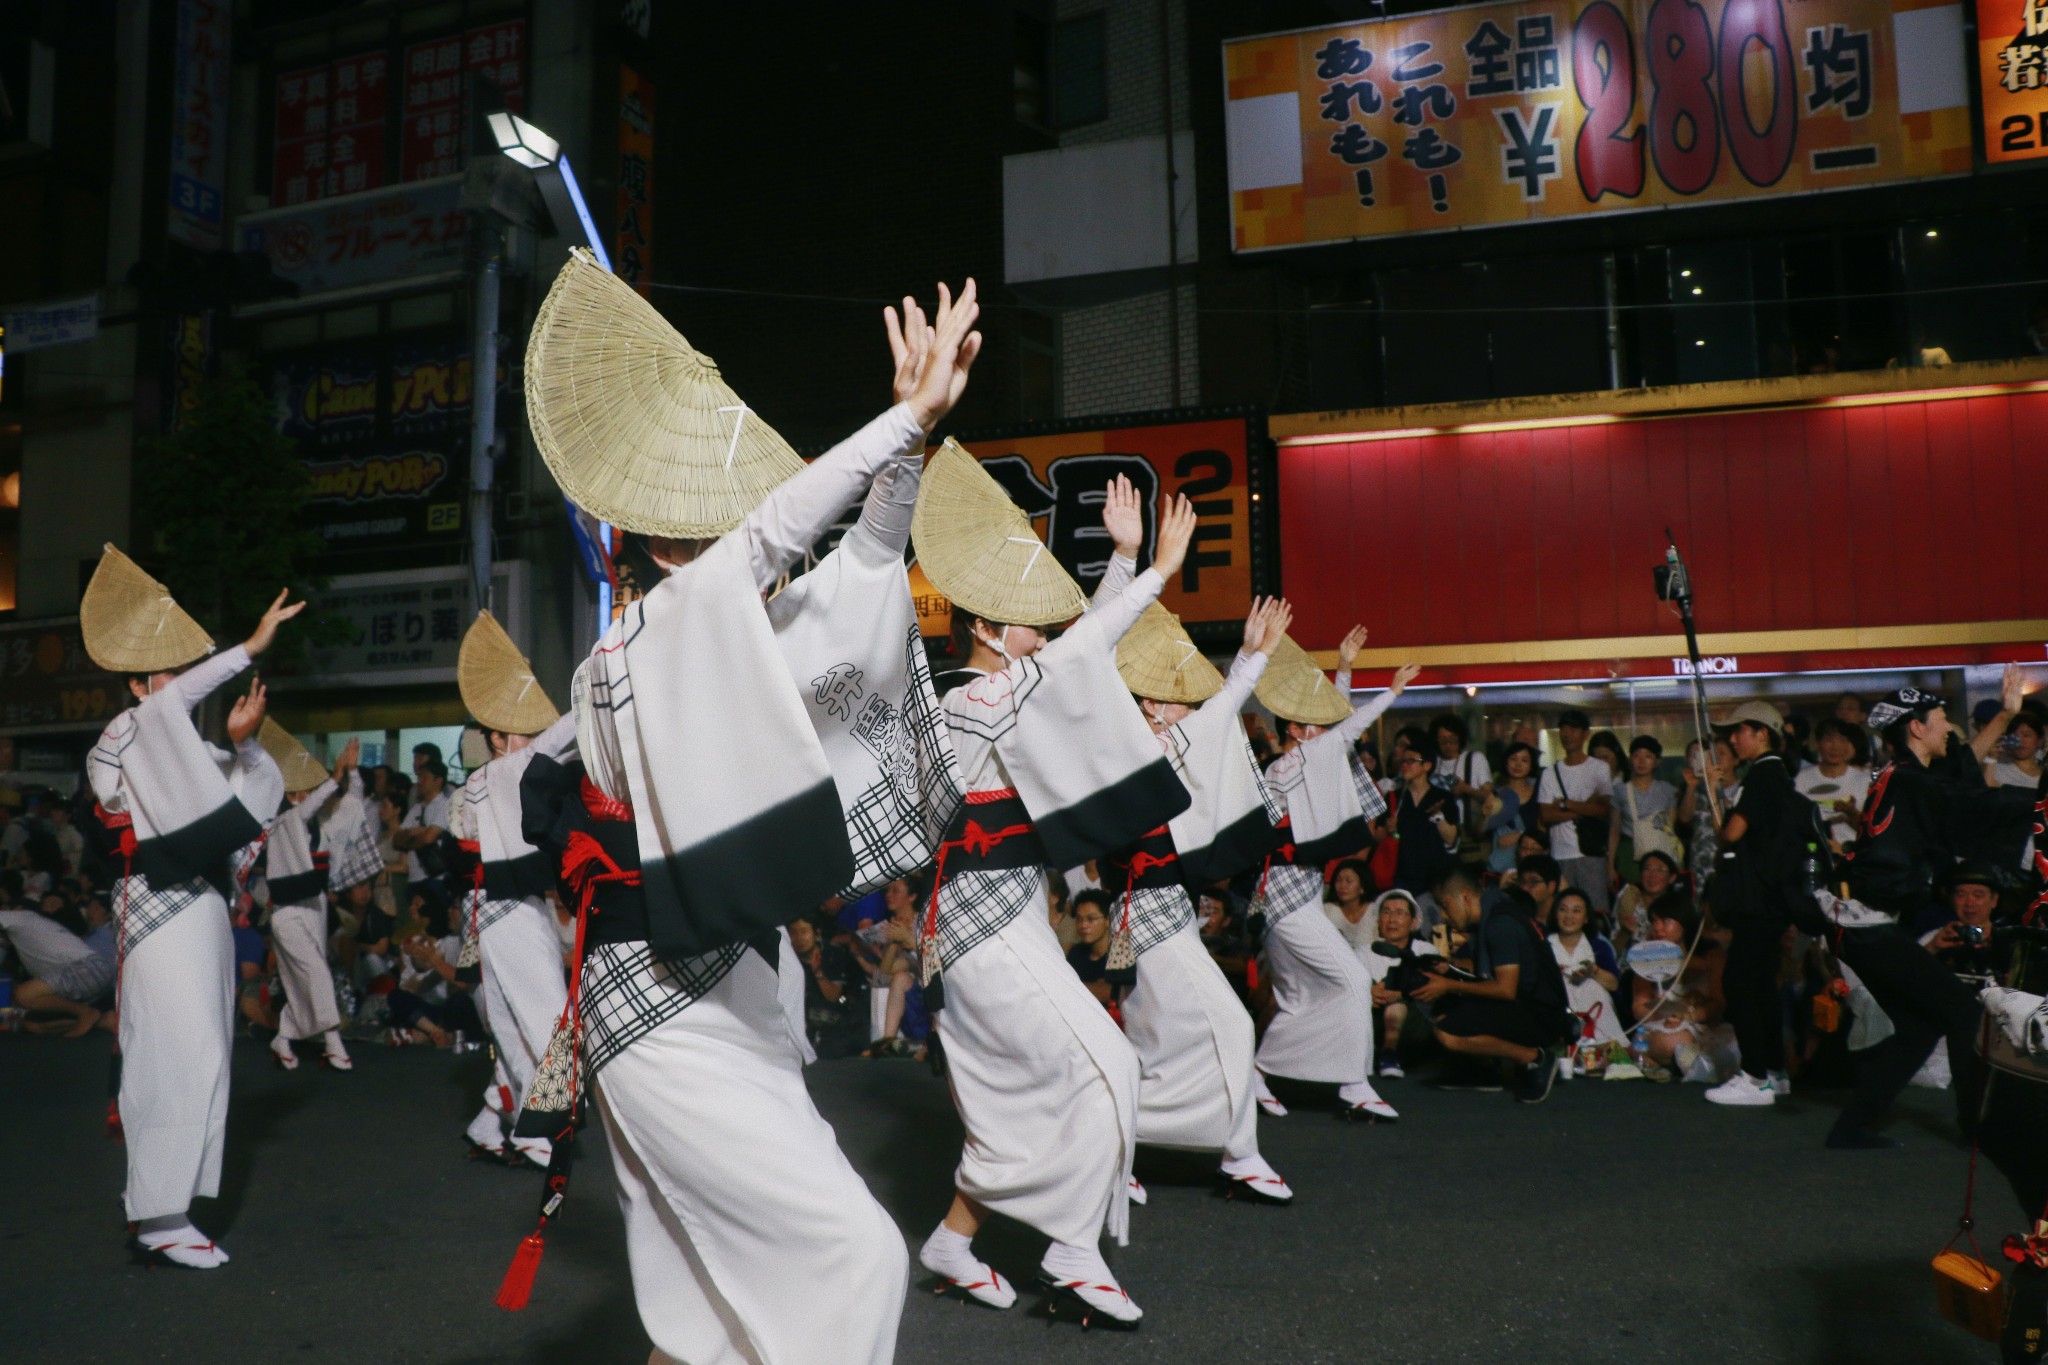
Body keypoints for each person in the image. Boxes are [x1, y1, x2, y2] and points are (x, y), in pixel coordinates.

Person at [511, 264, 979, 1362]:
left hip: (717, 982)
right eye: (715, 538)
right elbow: (773, 541)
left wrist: (909, 448)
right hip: (658, 1008)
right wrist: (899, 416)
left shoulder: (716, 635)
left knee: (699, 1303)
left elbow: (860, 562)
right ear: (668, 552)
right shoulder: (639, 644)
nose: (750, 555)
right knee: (852, 1254)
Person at [912, 446, 1200, 1328]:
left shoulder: (988, 688)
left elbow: (1067, 657)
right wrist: (1146, 571)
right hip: (978, 929)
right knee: (1107, 1062)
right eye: (1026, 621)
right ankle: (1073, 1252)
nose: (1038, 631)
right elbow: (1074, 659)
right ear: (988, 626)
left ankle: (952, 1243)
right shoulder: (967, 701)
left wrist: (1124, 565)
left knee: (1020, 1106)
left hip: (1001, 922)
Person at [82, 546, 303, 1270]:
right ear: (141, 682)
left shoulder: (182, 744)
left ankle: (171, 1208)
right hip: (155, 901)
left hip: (201, 901)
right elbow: (165, 712)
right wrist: (248, 646)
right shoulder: (125, 733)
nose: (179, 688)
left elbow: (255, 797)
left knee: (208, 1050)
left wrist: (242, 747)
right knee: (172, 1053)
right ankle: (157, 1214)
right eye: (168, 677)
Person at [1103, 591, 1295, 1206]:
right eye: (1181, 699)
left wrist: (1250, 656)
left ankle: (1115, 1142)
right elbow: (1218, 717)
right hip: (1144, 911)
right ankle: (1234, 1152)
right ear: (1153, 706)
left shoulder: (1153, 748)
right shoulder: (1135, 750)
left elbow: (1214, 719)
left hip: (1158, 911)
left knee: (1155, 1038)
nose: (1193, 708)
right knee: (1230, 1024)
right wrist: (1249, 659)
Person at [1811, 679, 2034, 1149]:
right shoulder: (1909, 780)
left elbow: (1958, 769)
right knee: (1964, 1014)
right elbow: (1970, 803)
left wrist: (2005, 715)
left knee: (1919, 1027)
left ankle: (1851, 1127)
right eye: (1941, 722)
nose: (1950, 729)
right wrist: (2036, 802)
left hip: (1858, 922)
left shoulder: (1904, 774)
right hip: (1865, 923)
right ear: (1916, 728)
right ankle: (1978, 1131)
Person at [1249, 624, 1419, 1122]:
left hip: (1289, 894)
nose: (1325, 731)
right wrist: (1389, 690)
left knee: (1300, 998)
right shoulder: (1289, 767)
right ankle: (1351, 1082)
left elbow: (1335, 733)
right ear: (1297, 732)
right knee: (1350, 980)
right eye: (1314, 725)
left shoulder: (1296, 760)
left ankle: (1258, 1073)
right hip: (1285, 896)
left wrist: (1345, 668)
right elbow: (1341, 733)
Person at [448, 612, 572, 1169]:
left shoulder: (496, 778)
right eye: (514, 729)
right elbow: (562, 739)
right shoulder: (497, 774)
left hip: (503, 908)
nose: (525, 737)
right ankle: (533, 1124)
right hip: (504, 909)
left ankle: (491, 1118)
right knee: (544, 1014)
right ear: (497, 738)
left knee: (511, 1014)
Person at [1702, 701, 1800, 1108]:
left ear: (1762, 733)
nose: (1732, 740)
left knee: (1740, 983)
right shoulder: (1772, 775)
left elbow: (1732, 832)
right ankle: (1774, 1073)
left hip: (1758, 901)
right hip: (1770, 901)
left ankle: (1755, 1074)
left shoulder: (1763, 775)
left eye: (1738, 731)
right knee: (1761, 987)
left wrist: (1715, 791)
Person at [1420, 869, 1575, 1102]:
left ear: (1465, 897)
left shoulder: (1500, 924)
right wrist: (1451, 966)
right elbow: (1492, 967)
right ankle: (1488, 1070)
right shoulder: (1499, 908)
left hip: (1543, 1015)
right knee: (1451, 1007)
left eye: (1445, 905)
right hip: (1539, 1006)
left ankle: (1535, 1058)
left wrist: (1448, 984)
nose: (1443, 915)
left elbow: (1505, 988)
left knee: (1446, 1030)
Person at [256, 728, 357, 1072]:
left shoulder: (319, 824)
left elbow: (350, 811)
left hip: (314, 909)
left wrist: (349, 774)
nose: (319, 795)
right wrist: (337, 775)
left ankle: (283, 1037)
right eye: (312, 790)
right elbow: (308, 807)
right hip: (288, 913)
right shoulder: (284, 819)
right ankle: (332, 1041)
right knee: (315, 975)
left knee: (302, 981)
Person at [1, 885, 114, 1036]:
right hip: (88, 978)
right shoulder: (23, 934)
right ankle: (101, 1021)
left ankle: (85, 1013)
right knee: (32, 1025)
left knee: (24, 994)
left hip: (87, 969)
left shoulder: (23, 916)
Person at [1536, 709, 1614, 913]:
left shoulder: (1599, 768)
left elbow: (1603, 809)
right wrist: (1585, 808)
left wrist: (1566, 804)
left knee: (1595, 914)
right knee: (1563, 913)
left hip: (1591, 852)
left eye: (1573, 729)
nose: (1567, 734)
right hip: (1560, 854)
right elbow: (1546, 815)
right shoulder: (1550, 772)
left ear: (1586, 734)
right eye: (1563, 729)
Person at [1363, 889, 1438, 1077]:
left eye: (1399, 913)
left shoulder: (1426, 950)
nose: (1392, 920)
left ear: (1413, 922)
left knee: (1398, 999)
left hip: (1414, 1026)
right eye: (1386, 912)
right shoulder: (1363, 952)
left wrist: (1401, 994)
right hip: (1373, 1021)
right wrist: (1368, 993)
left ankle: (1388, 1054)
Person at [1549, 888, 1626, 1047]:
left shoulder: (1598, 947)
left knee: (1590, 986)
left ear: (1586, 918)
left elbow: (1614, 984)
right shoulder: (1544, 946)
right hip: (1556, 1009)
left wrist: (1594, 971)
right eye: (1563, 910)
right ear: (1555, 914)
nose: (1569, 916)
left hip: (1594, 1009)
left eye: (1576, 911)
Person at [1386, 744, 1461, 895]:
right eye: (1403, 761)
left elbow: (1451, 839)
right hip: (1402, 875)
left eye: (1411, 761)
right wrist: (1391, 831)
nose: (1405, 765)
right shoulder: (1394, 797)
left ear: (1427, 765)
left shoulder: (1442, 797)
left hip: (1436, 878)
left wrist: (1438, 816)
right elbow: (1380, 836)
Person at [1609, 735, 1679, 893]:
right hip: (1629, 852)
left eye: (1648, 756)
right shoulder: (1620, 791)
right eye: (1637, 755)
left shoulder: (1668, 790)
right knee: (1631, 896)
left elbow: (1671, 829)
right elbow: (1614, 830)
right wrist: (1610, 866)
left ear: (1657, 761)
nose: (1642, 761)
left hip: (1660, 849)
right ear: (1629, 759)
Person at [1795, 717, 1871, 854]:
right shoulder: (1800, 780)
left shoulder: (1864, 781)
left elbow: (1870, 831)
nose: (1835, 747)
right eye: (1829, 740)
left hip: (1851, 856)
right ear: (1818, 743)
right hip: (1812, 855)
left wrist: (1851, 812)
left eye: (1842, 740)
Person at [1484, 742, 1539, 879]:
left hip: (1535, 863)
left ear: (1531, 765)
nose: (1518, 764)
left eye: (1524, 760)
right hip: (1503, 868)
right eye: (1513, 759)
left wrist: (1519, 836)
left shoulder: (1540, 790)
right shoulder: (1496, 795)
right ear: (1505, 762)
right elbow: (1485, 833)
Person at [1066, 888, 1119, 1006]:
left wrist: (1077, 988)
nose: (1083, 925)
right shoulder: (1075, 954)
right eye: (1079, 919)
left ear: (1107, 920)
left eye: (1091, 919)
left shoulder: (1120, 954)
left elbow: (1118, 993)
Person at [1322, 860, 1377, 957]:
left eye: (1349, 881)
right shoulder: (1327, 910)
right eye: (1338, 880)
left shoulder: (1375, 912)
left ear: (1362, 887)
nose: (1342, 886)